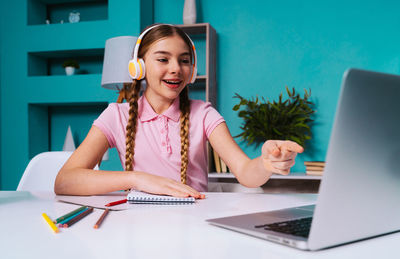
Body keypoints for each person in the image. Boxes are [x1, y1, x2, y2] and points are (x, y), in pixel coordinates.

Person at [54, 24, 303, 198]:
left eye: (184, 60)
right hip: (136, 226)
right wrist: (137, 178)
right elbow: (65, 181)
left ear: (192, 70)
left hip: (194, 223)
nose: (176, 69)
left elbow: (247, 173)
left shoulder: (204, 114)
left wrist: (267, 163)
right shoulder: (116, 115)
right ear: (138, 67)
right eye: (163, 59)